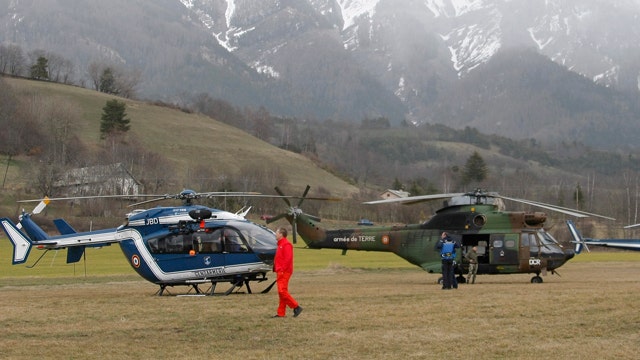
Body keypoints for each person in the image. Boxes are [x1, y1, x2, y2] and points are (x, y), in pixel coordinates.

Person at [272, 227, 303, 318]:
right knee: (281, 292)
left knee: (282, 291)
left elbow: (288, 259)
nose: (275, 234)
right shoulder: (281, 244)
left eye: (277, 232)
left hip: (284, 271)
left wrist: (282, 269)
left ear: (281, 234)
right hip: (280, 271)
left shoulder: (286, 244)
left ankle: (296, 307)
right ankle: (281, 313)